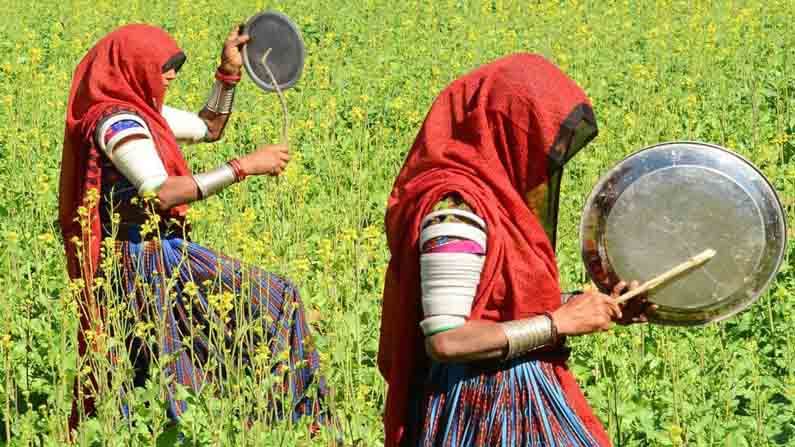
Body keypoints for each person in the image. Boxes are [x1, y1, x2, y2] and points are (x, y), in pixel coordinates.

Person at [58, 23, 328, 431]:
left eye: (176, 66)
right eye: (163, 66)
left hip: (155, 253)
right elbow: (162, 193)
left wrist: (228, 72)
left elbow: (208, 127)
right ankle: (297, 421)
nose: (171, 75)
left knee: (160, 354)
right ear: (133, 66)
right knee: (276, 299)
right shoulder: (119, 125)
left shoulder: (141, 110)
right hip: (141, 259)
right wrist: (244, 168)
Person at [378, 53, 655, 446]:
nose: (548, 158)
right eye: (540, 142)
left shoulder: (497, 204)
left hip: (521, 391)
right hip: (479, 413)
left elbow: (497, 303)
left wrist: (591, 306)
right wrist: (558, 324)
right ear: (505, 133)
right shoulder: (456, 215)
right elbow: (447, 340)